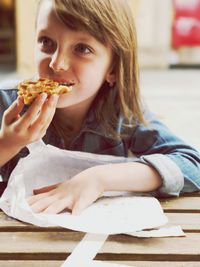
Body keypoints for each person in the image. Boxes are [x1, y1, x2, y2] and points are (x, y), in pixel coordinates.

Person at [0, 0, 200, 215]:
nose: (56, 64)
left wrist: (99, 179)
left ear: (112, 68)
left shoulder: (122, 113)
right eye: (46, 42)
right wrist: (8, 144)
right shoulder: (8, 102)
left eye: (82, 48)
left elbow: (192, 165)